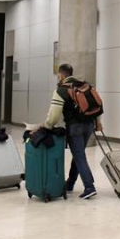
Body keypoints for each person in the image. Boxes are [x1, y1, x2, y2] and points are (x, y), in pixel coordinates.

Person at [39, 63, 102, 200]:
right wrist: (98, 123)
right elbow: (94, 105)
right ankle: (70, 183)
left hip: (75, 127)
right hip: (89, 125)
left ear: (60, 75)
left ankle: (89, 187)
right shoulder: (84, 85)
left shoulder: (61, 90)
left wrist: (47, 127)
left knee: (79, 155)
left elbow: (54, 115)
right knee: (78, 153)